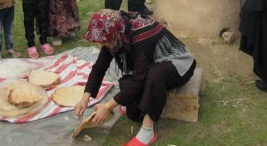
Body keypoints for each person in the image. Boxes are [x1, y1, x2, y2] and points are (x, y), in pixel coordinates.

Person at [73, 9, 196, 146]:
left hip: (179, 64)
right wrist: (85, 97)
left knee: (155, 75)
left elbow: (140, 80)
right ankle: (135, 106)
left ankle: (147, 130)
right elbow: (99, 67)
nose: (102, 44)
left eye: (104, 41)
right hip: (153, 62)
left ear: (114, 33)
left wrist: (109, 106)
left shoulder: (141, 37)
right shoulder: (117, 33)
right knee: (130, 98)